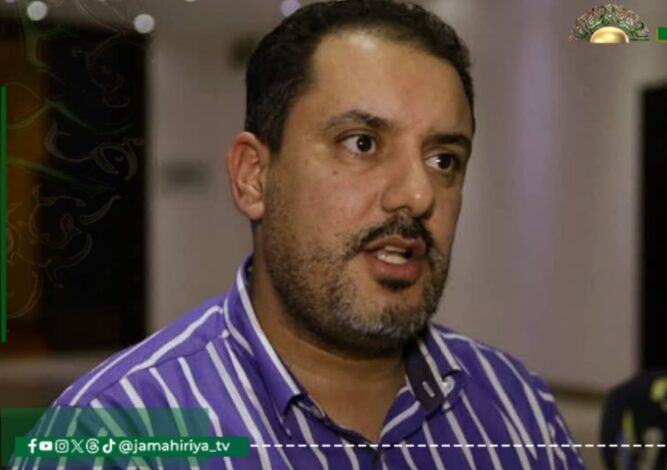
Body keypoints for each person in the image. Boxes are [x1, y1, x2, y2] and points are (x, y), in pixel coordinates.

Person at [14, 1, 584, 468]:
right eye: (362, 143)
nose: (417, 194)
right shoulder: (115, 434)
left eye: (443, 160)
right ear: (254, 178)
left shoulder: (519, 407)